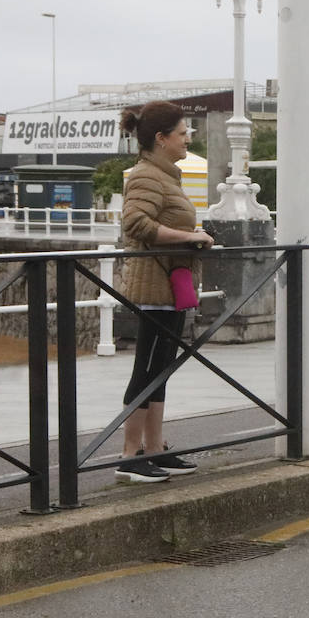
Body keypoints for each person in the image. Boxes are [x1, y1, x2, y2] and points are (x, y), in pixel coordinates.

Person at [116, 101, 213, 483]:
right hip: (153, 286)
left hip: (169, 285)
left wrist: (195, 239)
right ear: (161, 138)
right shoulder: (146, 176)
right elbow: (135, 223)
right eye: (183, 132)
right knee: (146, 369)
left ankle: (154, 449)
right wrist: (190, 236)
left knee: (160, 370)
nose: (188, 137)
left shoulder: (165, 175)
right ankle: (128, 456)